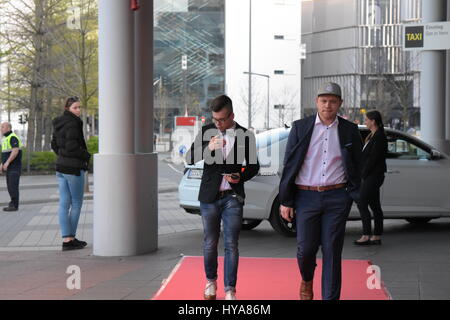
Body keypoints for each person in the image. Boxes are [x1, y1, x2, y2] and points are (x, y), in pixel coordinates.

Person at [279, 82, 363, 300]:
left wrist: (351, 194)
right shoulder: (300, 127)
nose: (328, 105)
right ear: (316, 102)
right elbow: (289, 164)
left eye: (333, 101)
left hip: (337, 197)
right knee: (305, 251)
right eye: (324, 101)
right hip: (306, 197)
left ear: (340, 104)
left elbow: (357, 164)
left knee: (332, 252)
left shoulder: (349, 130)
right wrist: (286, 200)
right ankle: (307, 280)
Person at [185, 95, 260, 300]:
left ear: (232, 116)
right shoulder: (207, 131)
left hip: (232, 197)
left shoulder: (246, 136)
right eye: (215, 120)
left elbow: (254, 166)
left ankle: (230, 290)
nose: (217, 124)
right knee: (210, 242)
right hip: (209, 197)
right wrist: (208, 148)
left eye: (221, 120)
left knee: (231, 244)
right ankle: (210, 282)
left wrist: (240, 176)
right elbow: (189, 157)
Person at [51, 97, 91, 251]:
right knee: (76, 203)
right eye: (75, 108)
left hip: (61, 167)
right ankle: (70, 239)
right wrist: (86, 156)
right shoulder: (73, 123)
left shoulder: (58, 122)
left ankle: (67, 238)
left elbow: (53, 144)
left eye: (79, 107)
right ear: (68, 108)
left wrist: (62, 155)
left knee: (63, 203)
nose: (78, 110)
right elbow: (72, 146)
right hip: (73, 169)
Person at [354, 110, 387, 246]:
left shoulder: (379, 137)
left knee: (361, 202)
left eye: (366, 120)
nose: (365, 122)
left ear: (373, 121)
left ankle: (366, 235)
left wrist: (363, 174)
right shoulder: (372, 135)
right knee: (375, 205)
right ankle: (376, 236)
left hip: (373, 176)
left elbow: (373, 159)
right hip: (371, 175)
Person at [1, 122, 23, 211]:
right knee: (10, 187)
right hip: (10, 167)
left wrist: (7, 163)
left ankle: (14, 205)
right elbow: (6, 154)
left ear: (9, 128)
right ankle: (12, 204)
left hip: (14, 167)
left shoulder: (13, 137)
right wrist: (2, 164)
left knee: (13, 186)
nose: (1, 129)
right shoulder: (6, 139)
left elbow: (15, 151)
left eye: (2, 127)